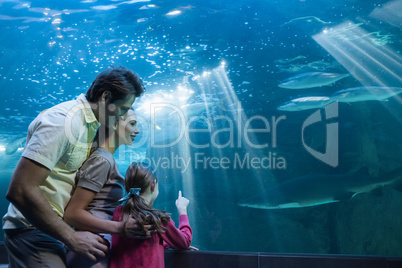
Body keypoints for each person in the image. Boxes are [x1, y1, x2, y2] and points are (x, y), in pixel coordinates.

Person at [2, 66, 145, 268]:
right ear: (105, 97)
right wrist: (71, 236)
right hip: (32, 231)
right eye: (122, 109)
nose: (122, 116)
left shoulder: (89, 126)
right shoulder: (62, 121)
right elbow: (20, 189)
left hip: (50, 232)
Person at [64, 108, 141, 268]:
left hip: (98, 242)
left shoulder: (106, 159)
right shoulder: (102, 160)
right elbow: (72, 213)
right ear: (114, 123)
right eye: (132, 124)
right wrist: (120, 227)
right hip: (92, 243)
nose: (137, 130)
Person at [109, 162, 195, 268]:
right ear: (153, 184)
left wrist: (165, 243)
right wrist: (182, 210)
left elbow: (140, 245)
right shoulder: (158, 219)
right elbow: (185, 241)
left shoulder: (118, 213)